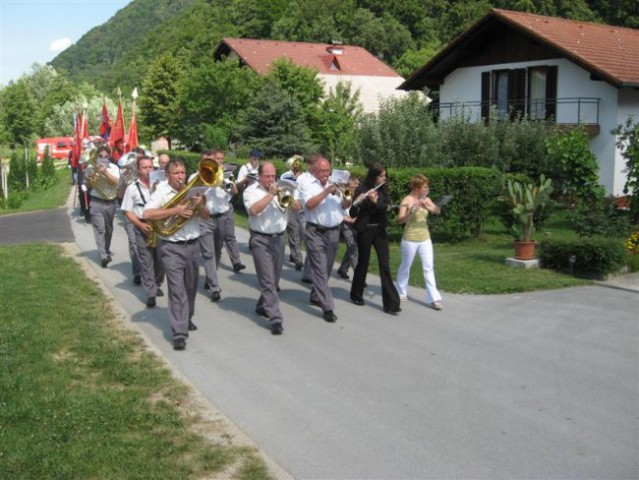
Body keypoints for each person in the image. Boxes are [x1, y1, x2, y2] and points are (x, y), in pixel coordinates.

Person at [143, 158, 209, 351]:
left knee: (190, 287)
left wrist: (200, 205)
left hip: (193, 244)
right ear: (167, 175)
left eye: (182, 173)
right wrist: (175, 210)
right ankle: (179, 332)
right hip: (171, 247)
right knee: (176, 289)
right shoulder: (161, 191)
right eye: (176, 173)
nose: (180, 177)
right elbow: (147, 214)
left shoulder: (193, 190)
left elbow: (206, 216)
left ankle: (186, 318)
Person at [298, 155, 351, 323]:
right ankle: (328, 307)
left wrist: (346, 195)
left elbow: (346, 206)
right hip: (315, 231)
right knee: (320, 268)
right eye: (322, 171)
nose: (326, 174)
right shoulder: (306, 183)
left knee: (327, 269)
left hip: (334, 232)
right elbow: (309, 205)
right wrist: (326, 191)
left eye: (328, 171)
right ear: (313, 170)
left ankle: (316, 295)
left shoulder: (335, 184)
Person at [349, 162, 401, 314]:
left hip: (379, 230)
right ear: (374, 176)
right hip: (364, 231)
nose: (384, 178)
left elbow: (387, 207)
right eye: (381, 176)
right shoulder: (362, 189)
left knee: (384, 265)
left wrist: (375, 202)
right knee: (363, 263)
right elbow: (352, 213)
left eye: (385, 175)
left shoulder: (383, 189)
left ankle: (391, 303)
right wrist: (358, 202)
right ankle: (356, 294)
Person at [243, 162, 288, 335]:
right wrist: (270, 195)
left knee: (274, 280)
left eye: (273, 176)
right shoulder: (250, 191)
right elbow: (254, 210)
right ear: (260, 176)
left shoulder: (280, 189)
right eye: (267, 176)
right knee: (268, 280)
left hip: (279, 239)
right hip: (261, 240)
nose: (271, 179)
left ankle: (262, 305)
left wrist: (291, 199)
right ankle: (275, 318)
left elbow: (297, 207)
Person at [120, 155, 166, 307]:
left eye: (150, 167)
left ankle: (157, 284)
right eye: (145, 168)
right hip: (142, 226)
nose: (148, 170)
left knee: (160, 261)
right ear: (138, 171)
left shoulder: (161, 186)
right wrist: (140, 225)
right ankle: (150, 294)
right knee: (146, 263)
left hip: (160, 226)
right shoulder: (132, 188)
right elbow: (127, 211)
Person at [395, 174, 443, 310]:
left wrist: (431, 207)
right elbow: (400, 220)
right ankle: (400, 291)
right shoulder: (407, 200)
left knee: (428, 268)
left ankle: (434, 299)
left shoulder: (426, 199)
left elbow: (437, 211)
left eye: (427, 187)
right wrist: (410, 211)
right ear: (417, 188)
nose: (427, 189)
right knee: (405, 266)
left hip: (425, 238)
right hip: (410, 239)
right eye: (425, 187)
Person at [201, 149, 246, 273]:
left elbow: (235, 192)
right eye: (217, 158)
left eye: (222, 158)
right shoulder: (207, 173)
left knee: (230, 235)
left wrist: (226, 182)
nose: (220, 161)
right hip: (212, 211)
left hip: (227, 207)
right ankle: (213, 268)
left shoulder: (228, 173)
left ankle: (236, 262)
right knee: (216, 243)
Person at [197, 150, 224, 302]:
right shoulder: (195, 178)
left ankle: (209, 276)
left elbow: (231, 192)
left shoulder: (220, 175)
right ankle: (215, 287)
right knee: (209, 253)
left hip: (220, 218)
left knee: (217, 251)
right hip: (204, 219)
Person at [88, 146, 120, 268]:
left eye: (106, 156)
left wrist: (106, 172)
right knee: (100, 230)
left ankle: (106, 250)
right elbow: (86, 180)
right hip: (96, 201)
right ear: (97, 156)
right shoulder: (92, 167)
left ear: (109, 157)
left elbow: (118, 182)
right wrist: (90, 175)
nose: (103, 158)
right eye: (100, 156)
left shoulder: (114, 168)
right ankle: (103, 256)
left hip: (110, 203)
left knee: (109, 230)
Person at [280, 155, 305, 270]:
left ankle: (293, 254)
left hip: (302, 207)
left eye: (298, 164)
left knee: (300, 232)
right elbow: (281, 190)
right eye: (295, 164)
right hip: (290, 206)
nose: (297, 166)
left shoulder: (305, 177)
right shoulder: (285, 175)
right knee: (294, 231)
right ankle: (298, 259)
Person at [336, 176, 360, 280]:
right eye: (352, 186)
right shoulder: (342, 194)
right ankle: (359, 277)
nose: (354, 188)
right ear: (347, 186)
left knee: (352, 248)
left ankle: (343, 269)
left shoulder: (357, 195)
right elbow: (338, 212)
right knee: (353, 248)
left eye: (356, 186)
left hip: (355, 224)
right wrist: (350, 220)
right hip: (345, 223)